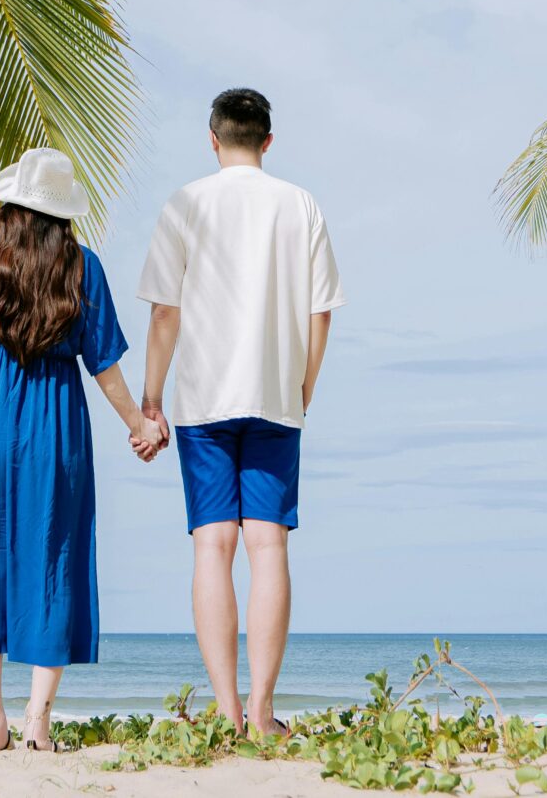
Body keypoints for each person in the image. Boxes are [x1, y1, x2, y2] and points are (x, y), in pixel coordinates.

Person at [0, 148, 165, 753]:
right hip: (57, 419)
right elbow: (105, 365)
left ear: (10, 206)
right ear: (62, 214)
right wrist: (138, 425)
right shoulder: (83, 267)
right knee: (54, 555)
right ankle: (38, 718)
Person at [137, 88, 343, 737]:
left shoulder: (185, 202)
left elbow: (165, 312)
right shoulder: (299, 203)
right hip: (276, 397)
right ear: (268, 141)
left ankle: (225, 711)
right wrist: (304, 385)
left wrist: (151, 397)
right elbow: (321, 311)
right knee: (268, 546)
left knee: (212, 547)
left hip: (203, 399)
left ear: (213, 138)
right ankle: (261, 713)